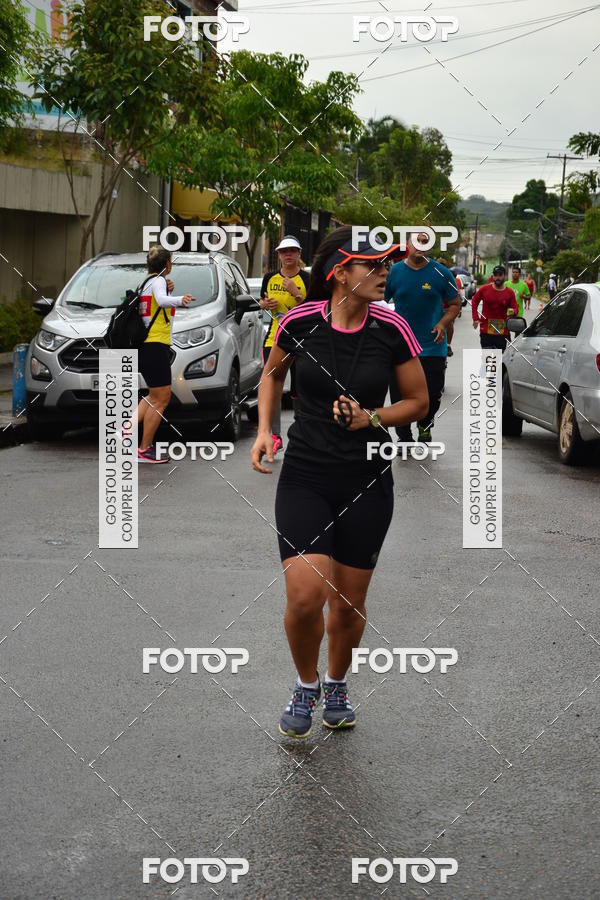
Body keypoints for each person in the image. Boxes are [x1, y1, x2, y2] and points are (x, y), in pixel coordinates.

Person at [250, 226, 428, 738]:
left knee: (347, 605)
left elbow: (417, 401)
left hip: (367, 479)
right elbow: (272, 375)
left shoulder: (393, 329)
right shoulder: (299, 322)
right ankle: (305, 686)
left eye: (387, 263)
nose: (384, 272)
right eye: (372, 264)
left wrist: (372, 418)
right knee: (306, 596)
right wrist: (266, 431)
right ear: (339, 272)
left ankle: (337, 681)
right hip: (306, 475)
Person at [385, 233, 460, 443]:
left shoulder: (441, 273)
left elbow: (455, 304)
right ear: (408, 244)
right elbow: (380, 302)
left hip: (432, 346)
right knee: (399, 394)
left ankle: (425, 425)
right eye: (416, 241)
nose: (420, 245)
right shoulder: (395, 272)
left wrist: (443, 323)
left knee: (433, 392)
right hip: (401, 346)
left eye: (425, 242)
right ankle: (404, 435)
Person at [136, 246, 193, 463]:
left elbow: (155, 303)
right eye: (171, 261)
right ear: (167, 264)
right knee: (162, 398)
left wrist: (169, 291)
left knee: (153, 396)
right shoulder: (158, 281)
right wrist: (180, 299)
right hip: (155, 345)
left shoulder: (147, 282)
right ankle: (144, 449)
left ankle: (126, 431)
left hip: (147, 346)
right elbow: (160, 301)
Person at [258, 235, 309, 455]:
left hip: (302, 340)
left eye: (292, 251)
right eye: (283, 251)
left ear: (299, 254)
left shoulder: (307, 279)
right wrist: (264, 304)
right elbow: (262, 302)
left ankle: (301, 434)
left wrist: (296, 294)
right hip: (274, 339)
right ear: (278, 255)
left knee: (301, 388)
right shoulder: (270, 277)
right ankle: (275, 436)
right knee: (273, 385)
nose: (287, 255)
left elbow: (316, 308)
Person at [471, 265, 517, 352]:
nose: (498, 278)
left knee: (498, 360)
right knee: (488, 359)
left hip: (502, 332)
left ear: (505, 276)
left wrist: (513, 311)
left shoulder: (510, 292)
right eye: (496, 275)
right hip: (486, 331)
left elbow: (515, 307)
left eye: (500, 275)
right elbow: (474, 301)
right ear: (493, 276)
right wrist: (475, 318)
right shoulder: (484, 289)